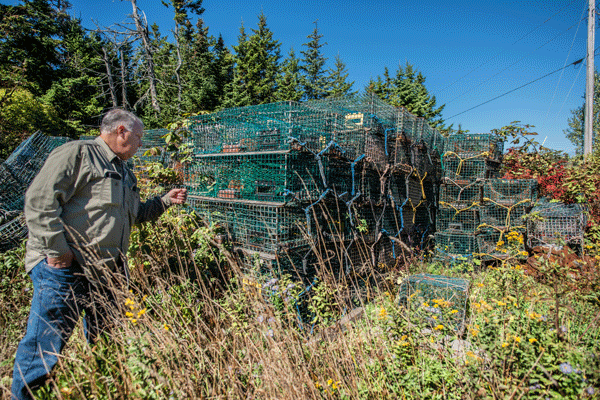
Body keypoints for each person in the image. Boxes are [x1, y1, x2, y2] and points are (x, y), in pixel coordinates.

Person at [11, 109, 187, 400]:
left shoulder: (124, 171)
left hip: (108, 273)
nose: (140, 144)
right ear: (121, 131)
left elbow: (135, 215)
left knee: (107, 343)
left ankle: (102, 391)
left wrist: (165, 201)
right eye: (139, 137)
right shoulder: (78, 154)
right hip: (66, 269)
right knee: (45, 346)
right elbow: (39, 202)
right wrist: (57, 254)